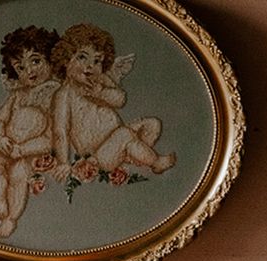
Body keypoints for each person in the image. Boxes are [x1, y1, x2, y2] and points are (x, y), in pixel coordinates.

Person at [50, 23, 175, 181]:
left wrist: (101, 93)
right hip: (98, 155)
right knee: (124, 134)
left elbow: (120, 99)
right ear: (66, 60)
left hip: (117, 140)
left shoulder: (100, 80)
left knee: (152, 124)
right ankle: (155, 162)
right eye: (82, 57)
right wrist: (63, 162)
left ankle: (132, 155)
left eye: (97, 61)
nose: (90, 66)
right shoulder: (64, 95)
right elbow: (60, 131)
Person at [0, 26, 60, 238]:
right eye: (21, 67)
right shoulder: (17, 96)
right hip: (8, 145)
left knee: (19, 174)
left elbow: (53, 137)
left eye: (35, 61)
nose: (30, 71)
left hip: (32, 150)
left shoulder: (56, 95)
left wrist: (22, 149)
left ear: (51, 60)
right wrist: (0, 139)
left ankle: (11, 219)